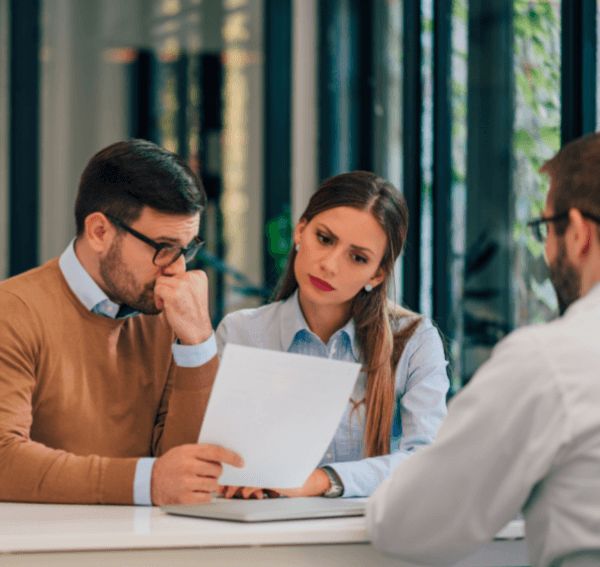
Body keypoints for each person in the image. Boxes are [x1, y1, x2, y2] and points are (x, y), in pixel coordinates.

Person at [367, 132, 600, 567]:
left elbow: (409, 523)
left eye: (546, 228)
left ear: (579, 234)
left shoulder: (552, 361)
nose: (546, 248)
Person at [0, 140, 242, 506]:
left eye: (188, 249)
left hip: (149, 546)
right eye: (163, 247)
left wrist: (199, 343)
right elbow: (4, 459)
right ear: (99, 232)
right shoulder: (13, 311)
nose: (178, 268)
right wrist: (145, 482)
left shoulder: (166, 313)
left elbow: (187, 471)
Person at [216, 171, 449, 499]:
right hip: (262, 531)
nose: (329, 264)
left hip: (367, 539)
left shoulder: (414, 341)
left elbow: (428, 462)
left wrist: (320, 480)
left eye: (357, 258)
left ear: (378, 273)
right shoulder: (241, 332)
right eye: (324, 239)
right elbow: (217, 456)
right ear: (300, 231)